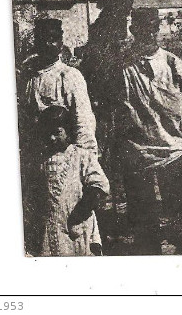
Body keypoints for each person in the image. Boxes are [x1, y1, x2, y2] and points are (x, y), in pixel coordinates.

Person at [113, 7, 182, 255]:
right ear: (134, 32)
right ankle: (148, 251)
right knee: (142, 211)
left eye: (153, 29)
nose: (149, 35)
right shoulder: (124, 66)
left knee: (178, 206)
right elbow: (114, 102)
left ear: (158, 30)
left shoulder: (171, 62)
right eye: (143, 31)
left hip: (170, 147)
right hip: (138, 149)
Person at [17, 18, 98, 254]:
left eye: (54, 39)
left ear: (61, 41)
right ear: (36, 42)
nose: (48, 44)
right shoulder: (29, 79)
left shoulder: (69, 76)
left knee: (74, 226)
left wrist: (85, 161)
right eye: (43, 39)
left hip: (69, 161)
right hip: (40, 160)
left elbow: (83, 121)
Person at [34, 106, 110, 257]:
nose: (52, 138)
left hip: (77, 225)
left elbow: (99, 185)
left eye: (57, 132)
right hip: (52, 228)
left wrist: (84, 207)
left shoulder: (81, 156)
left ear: (68, 131)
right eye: (48, 134)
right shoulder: (42, 161)